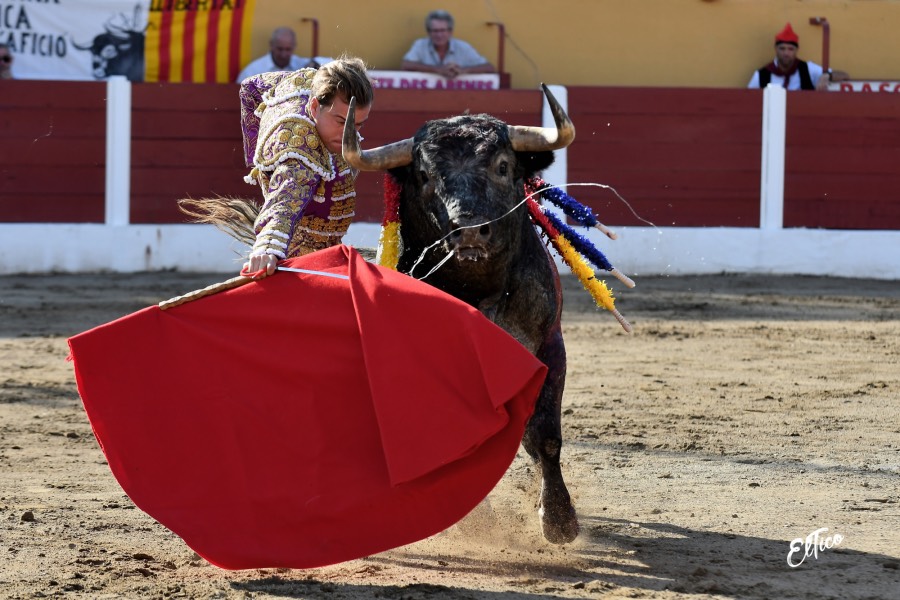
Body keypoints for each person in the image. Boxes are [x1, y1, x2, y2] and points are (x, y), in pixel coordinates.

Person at [182, 56, 375, 276]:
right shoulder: (299, 152)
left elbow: (251, 87)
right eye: (341, 122)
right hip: (295, 264)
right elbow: (286, 199)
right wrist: (268, 246)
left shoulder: (312, 82)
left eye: (358, 125)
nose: (350, 134)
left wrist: (258, 158)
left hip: (327, 254)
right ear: (314, 107)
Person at [747, 23, 849, 91]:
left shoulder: (808, 69)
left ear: (796, 50)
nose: (786, 53)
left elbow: (844, 75)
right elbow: (748, 100)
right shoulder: (761, 75)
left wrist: (827, 76)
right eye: (782, 48)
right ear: (776, 49)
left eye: (790, 49)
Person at [401, 10, 495, 79]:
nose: (439, 35)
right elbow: (406, 65)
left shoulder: (463, 47)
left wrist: (463, 71)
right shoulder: (420, 44)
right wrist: (438, 70)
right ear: (428, 32)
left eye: (443, 30)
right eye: (435, 31)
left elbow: (489, 67)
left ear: (450, 32)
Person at [236, 27, 333, 82]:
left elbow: (331, 63)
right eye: (280, 49)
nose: (284, 54)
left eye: (288, 49)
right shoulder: (253, 71)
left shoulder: (301, 64)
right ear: (271, 45)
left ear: (294, 46)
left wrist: (314, 63)